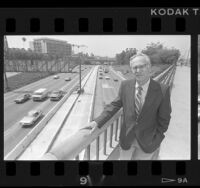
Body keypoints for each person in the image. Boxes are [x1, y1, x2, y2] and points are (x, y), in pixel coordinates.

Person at [85, 53, 172, 160]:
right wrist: (97, 122)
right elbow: (115, 105)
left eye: (142, 66)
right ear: (131, 69)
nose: (138, 70)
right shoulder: (125, 85)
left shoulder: (163, 90)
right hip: (127, 139)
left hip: (148, 142)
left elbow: (165, 119)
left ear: (149, 67)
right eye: (135, 67)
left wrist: (157, 138)